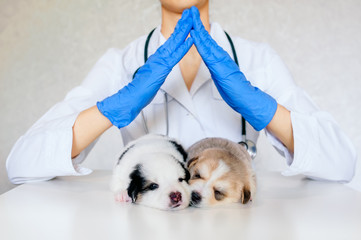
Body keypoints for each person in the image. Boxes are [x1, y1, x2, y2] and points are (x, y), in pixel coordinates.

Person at [6, 0, 356, 184]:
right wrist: (114, 108)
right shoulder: (122, 64)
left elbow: (341, 163)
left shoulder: (256, 59)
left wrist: (264, 108)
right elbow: (21, 165)